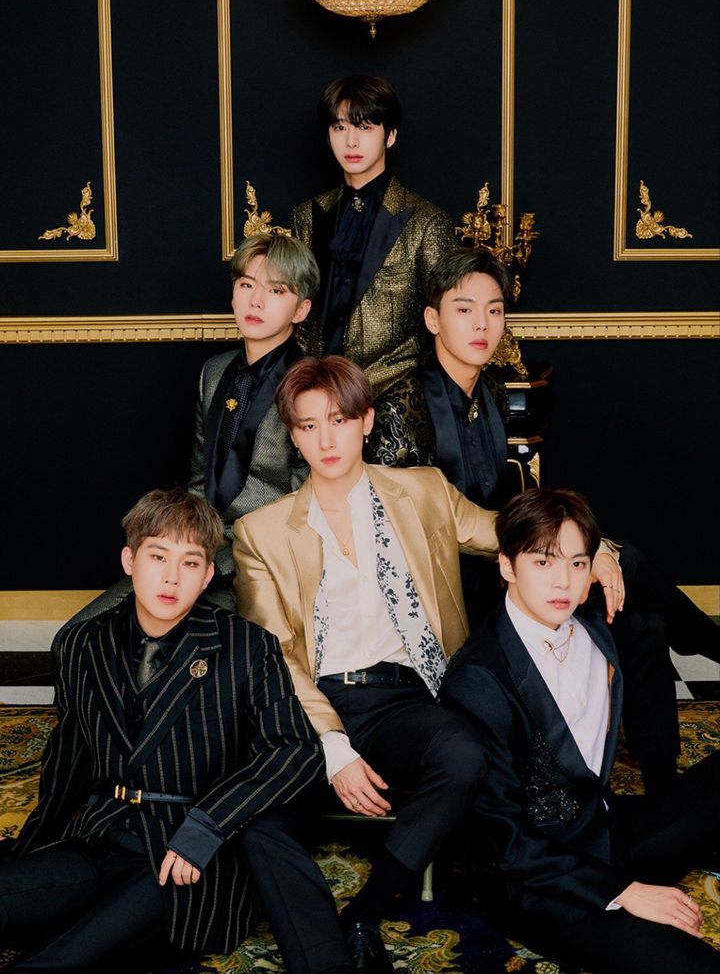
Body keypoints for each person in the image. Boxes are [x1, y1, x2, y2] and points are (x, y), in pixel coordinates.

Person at [369, 246, 720, 793]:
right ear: (433, 319)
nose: (482, 324)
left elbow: (514, 503)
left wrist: (582, 549)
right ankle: (708, 644)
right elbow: (404, 542)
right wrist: (565, 555)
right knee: (630, 567)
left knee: (642, 621)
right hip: (461, 589)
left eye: (494, 309)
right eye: (464, 310)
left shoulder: (485, 393)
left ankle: (662, 786)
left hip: (509, 562)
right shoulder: (402, 409)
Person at [0, 488, 351, 974]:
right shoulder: (82, 643)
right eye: (158, 556)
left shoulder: (245, 645)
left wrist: (207, 826)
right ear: (130, 560)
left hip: (184, 861)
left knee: (59, 958)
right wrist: (25, 850)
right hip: (99, 839)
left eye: (191, 563)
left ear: (206, 578)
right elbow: (67, 761)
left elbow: (294, 754)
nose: (172, 577)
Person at [233, 356, 498, 973]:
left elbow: (503, 532)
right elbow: (274, 657)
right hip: (308, 707)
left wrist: (594, 550)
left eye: (340, 419)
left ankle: (365, 914)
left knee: (465, 754)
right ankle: (322, 959)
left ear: (367, 421)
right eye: (307, 426)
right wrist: (332, 746)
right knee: (259, 822)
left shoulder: (423, 491)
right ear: (293, 435)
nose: (326, 440)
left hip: (403, 698)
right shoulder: (260, 533)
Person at [440, 487, 720, 974]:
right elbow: (507, 846)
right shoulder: (480, 681)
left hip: (606, 829)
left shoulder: (591, 618)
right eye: (543, 562)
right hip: (539, 882)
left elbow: (631, 563)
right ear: (507, 565)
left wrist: (607, 554)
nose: (563, 582)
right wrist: (622, 892)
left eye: (576, 563)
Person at [52, 230, 319, 649]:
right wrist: (178, 552)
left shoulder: (312, 384)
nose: (256, 301)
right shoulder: (213, 373)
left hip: (262, 562)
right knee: (74, 640)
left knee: (190, 661)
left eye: (275, 290)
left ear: (301, 309)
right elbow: (199, 481)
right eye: (246, 285)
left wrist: (224, 560)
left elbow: (311, 504)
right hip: (196, 549)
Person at [292, 74, 458, 400]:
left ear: (391, 135)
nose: (351, 141)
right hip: (315, 398)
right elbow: (297, 311)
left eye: (365, 127)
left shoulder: (427, 221)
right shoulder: (307, 215)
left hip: (393, 398)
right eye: (340, 127)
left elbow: (448, 323)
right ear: (328, 136)